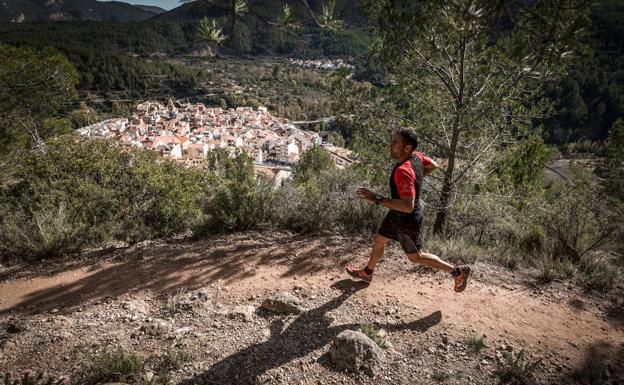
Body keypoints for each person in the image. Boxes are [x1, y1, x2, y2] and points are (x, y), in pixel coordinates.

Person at [346, 128, 471, 292]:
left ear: (407, 148)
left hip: (407, 220)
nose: (390, 145)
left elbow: (407, 206)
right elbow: (433, 165)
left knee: (416, 257)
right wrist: (416, 180)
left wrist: (376, 198)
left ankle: (457, 272)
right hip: (395, 215)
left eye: (395, 143)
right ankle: (367, 272)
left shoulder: (404, 171)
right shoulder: (417, 157)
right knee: (380, 240)